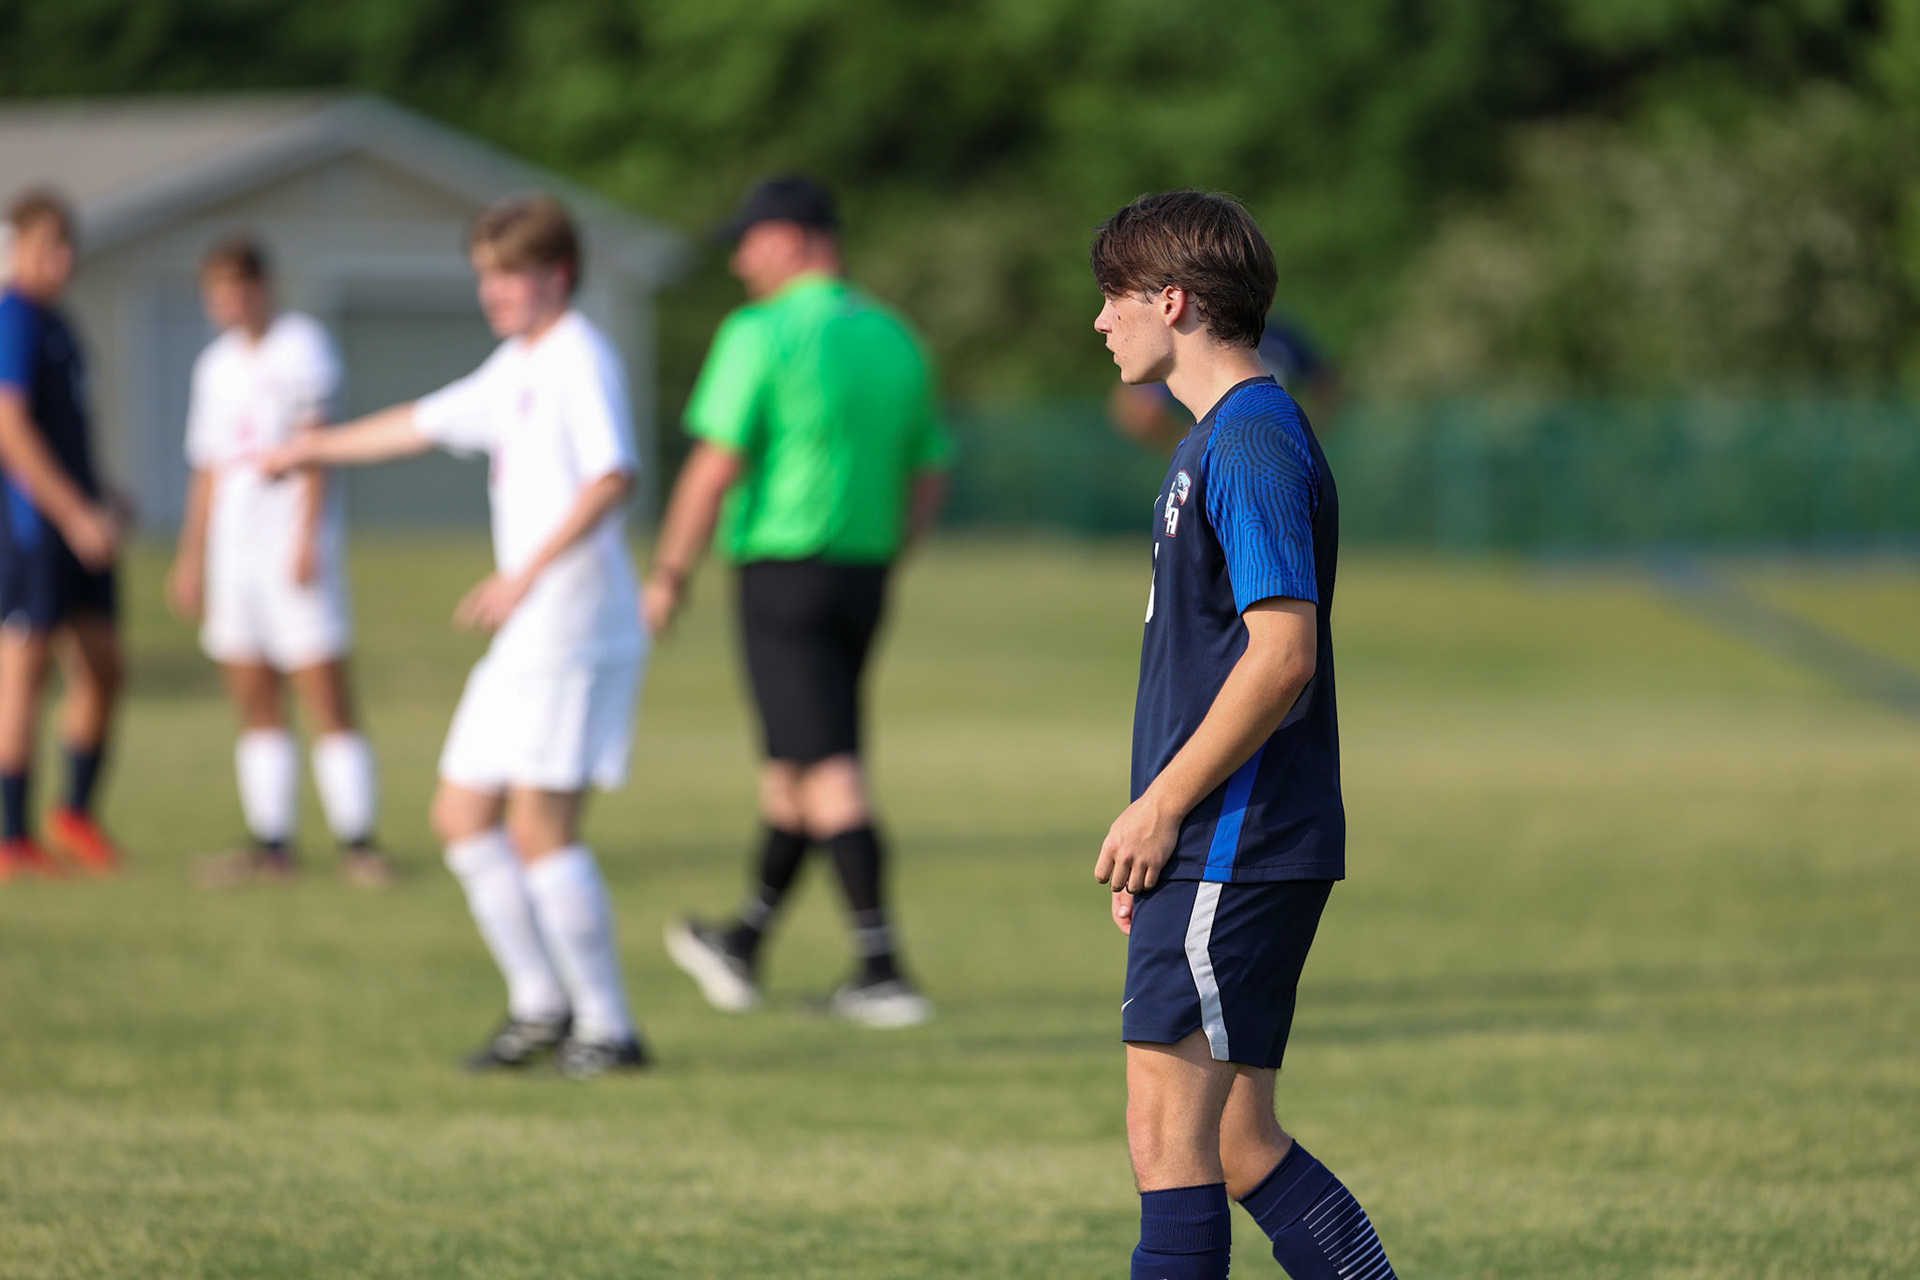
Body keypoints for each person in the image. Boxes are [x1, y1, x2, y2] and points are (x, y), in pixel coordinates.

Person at [259, 193, 648, 1077]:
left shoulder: (579, 359)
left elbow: (612, 476)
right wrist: (311, 450)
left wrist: (525, 573)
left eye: (510, 275)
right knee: (461, 818)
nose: (495, 292)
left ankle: (610, 1028)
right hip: (530, 633)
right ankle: (539, 1006)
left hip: (575, 627)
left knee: (541, 831)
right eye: (485, 276)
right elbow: (420, 422)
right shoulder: (517, 365)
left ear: (558, 275)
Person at [1090, 191, 1397, 1280]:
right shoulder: (1221, 435)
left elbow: (1282, 654)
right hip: (1221, 839)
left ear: (1172, 302)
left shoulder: (1254, 438)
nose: (1101, 322)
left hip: (1236, 832)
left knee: (1166, 1134)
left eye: (1115, 297)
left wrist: (1164, 805)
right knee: (1235, 1139)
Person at [649, 174, 952, 1029]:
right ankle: (741, 942)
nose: (741, 261)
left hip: (783, 567)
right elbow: (930, 467)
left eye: (749, 241)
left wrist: (670, 569)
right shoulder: (896, 335)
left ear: (792, 238)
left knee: (827, 771)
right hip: (863, 570)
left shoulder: (760, 332)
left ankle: (883, 967)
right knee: (795, 768)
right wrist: (896, 548)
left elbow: (715, 464)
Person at [167, 235, 391, 888]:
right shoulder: (213, 366)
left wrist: (305, 538)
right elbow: (207, 468)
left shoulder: (302, 347)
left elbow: (313, 446)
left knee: (324, 693)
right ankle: (272, 841)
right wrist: (192, 557)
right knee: (254, 696)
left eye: (239, 287)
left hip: (291, 551)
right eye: (217, 292)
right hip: (233, 558)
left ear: (264, 286)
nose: (229, 302)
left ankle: (359, 840)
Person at [0, 188, 125, 882]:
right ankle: (12, 836)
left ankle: (73, 813)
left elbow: (66, 431)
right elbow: (10, 427)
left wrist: (103, 493)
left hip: (80, 519)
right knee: (23, 673)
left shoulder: (60, 323)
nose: (63, 258)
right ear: (18, 246)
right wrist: (72, 512)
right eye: (49, 244)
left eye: (68, 244)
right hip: (31, 528)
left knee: (105, 667)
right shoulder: (12, 317)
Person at [1108, 313, 1342, 453]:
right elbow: (1134, 406)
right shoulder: (1199, 338)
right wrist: (1183, 441)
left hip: (1273, 448)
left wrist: (1304, 430)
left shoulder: (1282, 335)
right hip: (1215, 454)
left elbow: (1326, 383)